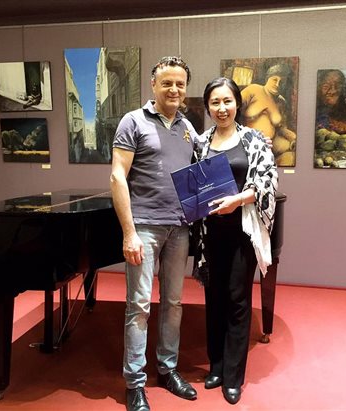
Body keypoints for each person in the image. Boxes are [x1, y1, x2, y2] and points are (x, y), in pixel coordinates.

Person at [110, 56, 198, 411]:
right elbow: (118, 176)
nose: (174, 89)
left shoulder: (188, 128)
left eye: (180, 84)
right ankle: (135, 383)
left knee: (173, 304)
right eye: (167, 83)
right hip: (144, 227)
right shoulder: (133, 121)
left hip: (179, 228)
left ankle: (168, 369)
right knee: (139, 306)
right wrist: (128, 233)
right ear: (153, 85)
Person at [193, 77, 278, 405]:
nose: (222, 108)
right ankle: (216, 366)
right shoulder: (201, 143)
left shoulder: (254, 139)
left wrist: (238, 200)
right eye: (215, 102)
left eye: (227, 101)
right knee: (213, 298)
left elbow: (268, 182)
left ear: (237, 104)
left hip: (242, 231)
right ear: (207, 107)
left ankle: (233, 375)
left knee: (238, 299)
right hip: (210, 234)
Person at [240, 64, 296, 166]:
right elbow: (234, 110)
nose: (277, 84)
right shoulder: (253, 90)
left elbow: (281, 128)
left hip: (272, 143)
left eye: (282, 82)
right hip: (249, 144)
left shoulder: (281, 101)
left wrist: (293, 137)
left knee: (292, 157)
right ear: (267, 78)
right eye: (275, 80)